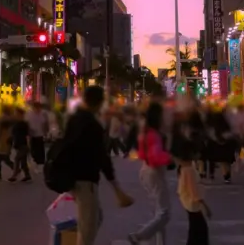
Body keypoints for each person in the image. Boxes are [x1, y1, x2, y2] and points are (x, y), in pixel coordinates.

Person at [65, 86, 133, 245]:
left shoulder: (74, 119)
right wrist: (116, 187)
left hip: (73, 177)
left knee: (94, 218)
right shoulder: (92, 124)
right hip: (85, 179)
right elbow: (102, 156)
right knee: (87, 227)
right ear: (100, 102)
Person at [129, 102, 172, 245]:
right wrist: (169, 158)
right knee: (164, 214)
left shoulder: (145, 131)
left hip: (146, 171)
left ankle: (160, 242)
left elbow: (142, 154)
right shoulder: (154, 134)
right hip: (154, 172)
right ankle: (139, 236)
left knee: (158, 213)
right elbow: (155, 158)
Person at [176, 132, 211, 245]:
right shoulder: (189, 170)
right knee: (200, 230)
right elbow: (193, 191)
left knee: (194, 230)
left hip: (188, 203)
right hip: (193, 204)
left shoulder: (184, 168)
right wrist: (205, 206)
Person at [8, 108, 31, 182]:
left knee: (17, 159)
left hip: (23, 144)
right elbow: (13, 133)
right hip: (18, 143)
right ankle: (27, 175)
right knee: (23, 161)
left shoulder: (24, 124)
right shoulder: (16, 123)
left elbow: (27, 135)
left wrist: (29, 145)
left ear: (21, 115)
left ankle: (14, 175)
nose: (16, 115)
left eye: (17, 114)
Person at [0, 106, 14, 181]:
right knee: (5, 157)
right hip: (9, 140)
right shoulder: (12, 119)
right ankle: (15, 168)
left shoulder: (1, 119)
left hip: (2, 140)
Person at [26, 102, 48, 171]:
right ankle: (34, 162)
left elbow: (44, 123)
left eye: (39, 108)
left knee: (40, 150)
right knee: (33, 150)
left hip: (40, 134)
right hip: (32, 135)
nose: (38, 109)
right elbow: (27, 123)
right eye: (37, 107)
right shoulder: (29, 114)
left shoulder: (42, 114)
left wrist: (45, 132)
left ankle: (40, 163)